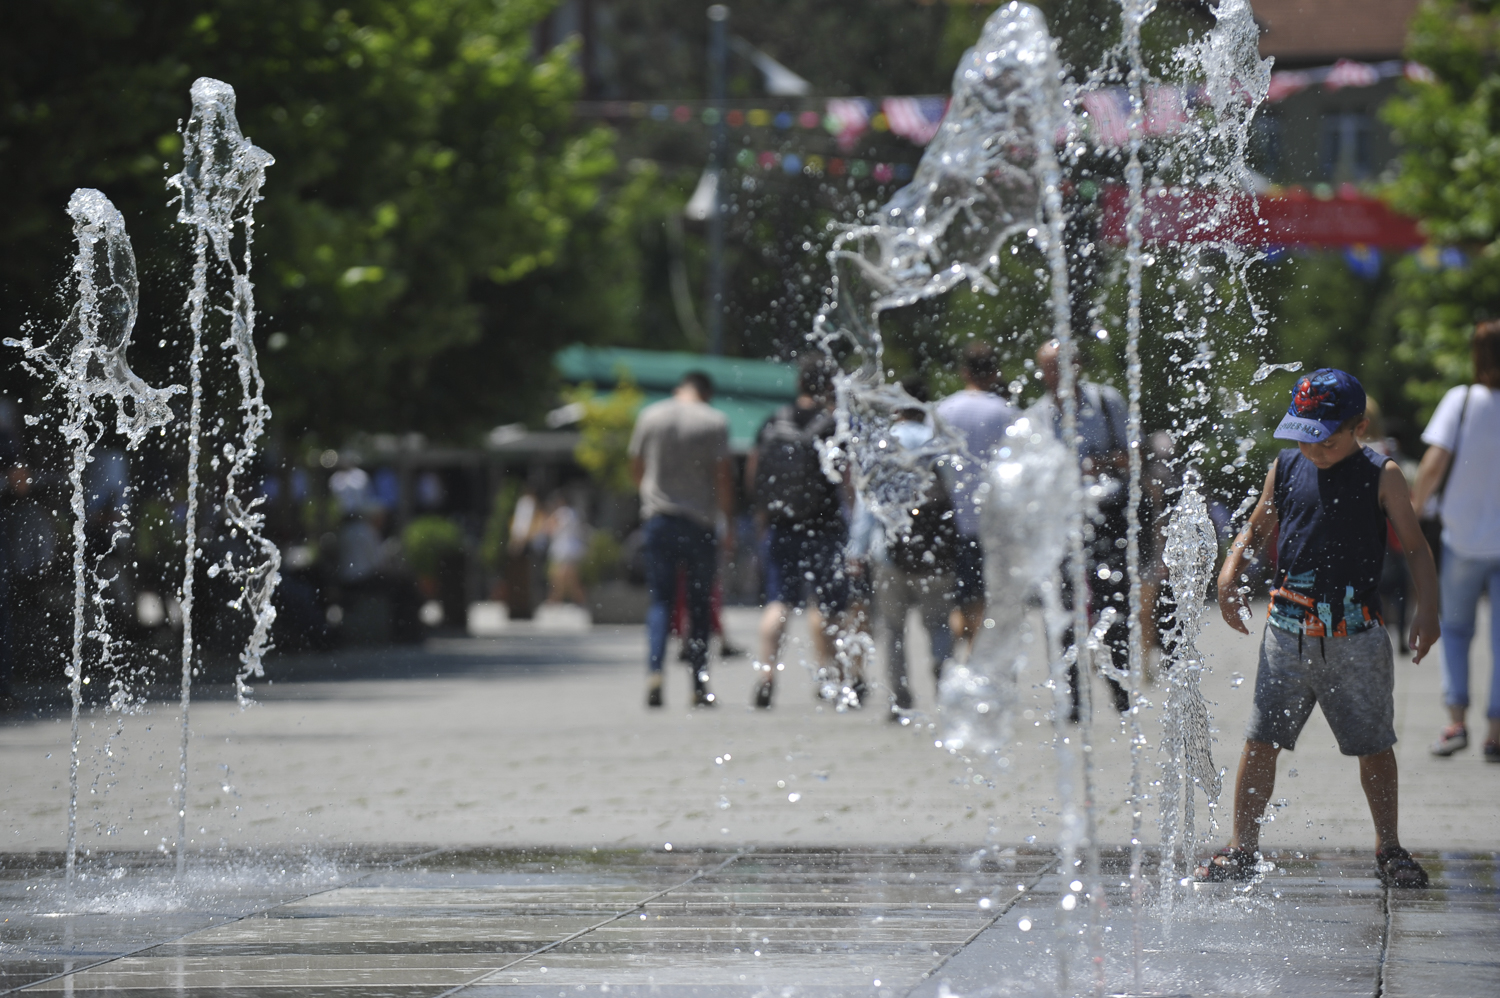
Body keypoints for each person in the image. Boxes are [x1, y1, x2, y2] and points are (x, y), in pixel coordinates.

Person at [1202, 369, 1439, 887]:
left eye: (1326, 439)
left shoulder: (1383, 474)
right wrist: (1229, 571)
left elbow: (1417, 547)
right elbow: (1259, 522)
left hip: (1356, 637)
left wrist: (1429, 610)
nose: (1314, 449)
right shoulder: (1286, 466)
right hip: (1285, 633)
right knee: (1260, 740)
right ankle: (1241, 846)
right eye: (1303, 435)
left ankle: (1389, 847)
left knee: (1373, 744)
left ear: (1359, 425)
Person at [1410, 320, 1500, 761]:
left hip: (1462, 538)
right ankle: (1496, 733)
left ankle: (1456, 723)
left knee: (1458, 629)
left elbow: (1433, 462)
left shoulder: (1461, 401)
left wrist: (1412, 507)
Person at [1028, 340, 1131, 718]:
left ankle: (1121, 693)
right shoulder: (1036, 416)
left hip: (1106, 516)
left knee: (1113, 607)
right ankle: (1072, 700)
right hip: (1061, 522)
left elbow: (1131, 455)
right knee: (1066, 610)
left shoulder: (1106, 403)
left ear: (1079, 366)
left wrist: (1094, 463)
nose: (1056, 375)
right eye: (1049, 367)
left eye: (1063, 366)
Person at [747, 356, 850, 708]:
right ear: (827, 387)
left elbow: (754, 471)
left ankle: (766, 676)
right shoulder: (832, 425)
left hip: (780, 525)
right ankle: (827, 677)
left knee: (778, 602)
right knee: (823, 605)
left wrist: (762, 517)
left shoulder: (773, 421)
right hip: (824, 525)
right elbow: (846, 480)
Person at [628, 370, 734, 708]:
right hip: (699, 521)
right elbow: (723, 477)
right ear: (706, 392)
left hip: (659, 519)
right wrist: (727, 521)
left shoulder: (651, 415)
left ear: (680, 388)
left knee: (661, 601)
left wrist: (647, 495)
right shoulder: (714, 421)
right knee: (699, 605)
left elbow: (636, 464)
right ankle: (699, 684)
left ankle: (655, 673)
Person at [874, 376, 956, 715]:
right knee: (937, 622)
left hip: (889, 550)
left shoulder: (884, 442)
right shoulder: (938, 442)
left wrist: (857, 546)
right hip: (934, 550)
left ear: (897, 407)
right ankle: (941, 669)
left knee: (893, 629)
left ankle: (900, 697)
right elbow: (955, 495)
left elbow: (871, 501)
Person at [934, 342, 1017, 662]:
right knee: (986, 596)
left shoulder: (943, 411)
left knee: (961, 595)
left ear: (964, 372)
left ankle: (965, 644)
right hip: (993, 522)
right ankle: (974, 651)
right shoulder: (1005, 412)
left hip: (950, 518)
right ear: (995, 373)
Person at [543, 491, 589, 606]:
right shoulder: (573, 513)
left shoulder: (563, 513)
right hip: (569, 550)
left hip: (564, 551)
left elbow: (550, 528)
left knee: (560, 579)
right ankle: (576, 602)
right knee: (568, 580)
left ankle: (555, 601)